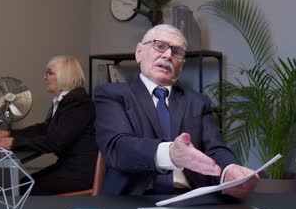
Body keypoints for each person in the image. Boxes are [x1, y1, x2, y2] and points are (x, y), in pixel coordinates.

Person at [94, 24, 259, 197]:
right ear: (139, 52)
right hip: (132, 201)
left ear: (182, 64)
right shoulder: (112, 94)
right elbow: (118, 147)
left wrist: (230, 170)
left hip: (190, 199)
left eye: (177, 52)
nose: (167, 55)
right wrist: (171, 154)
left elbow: (215, 149)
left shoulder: (197, 102)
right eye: (159, 46)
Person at [0, 55, 97, 195]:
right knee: (20, 186)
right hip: (70, 167)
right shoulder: (66, 100)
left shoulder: (77, 103)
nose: (45, 77)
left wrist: (12, 142)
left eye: (50, 73)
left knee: (22, 189)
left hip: (80, 173)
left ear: (65, 76)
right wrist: (10, 134)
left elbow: (54, 142)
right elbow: (45, 128)